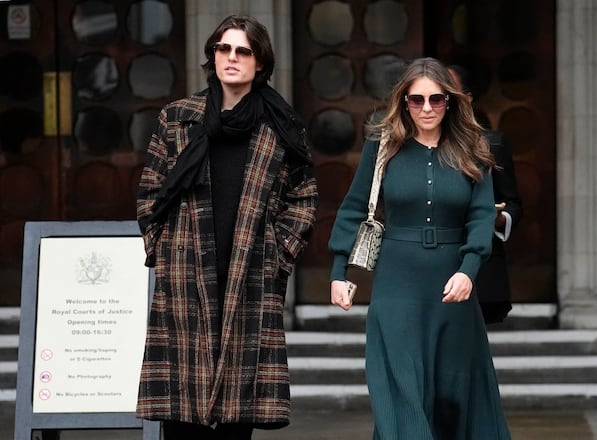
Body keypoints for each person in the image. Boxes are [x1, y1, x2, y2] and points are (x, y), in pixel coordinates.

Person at [135, 15, 318, 440]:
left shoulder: (282, 126)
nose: (231, 58)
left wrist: (277, 254)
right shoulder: (178, 118)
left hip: (250, 276)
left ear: (260, 63)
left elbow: (304, 197)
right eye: (223, 48)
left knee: (237, 421)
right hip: (185, 277)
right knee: (181, 417)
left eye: (243, 51)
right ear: (212, 56)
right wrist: (162, 249)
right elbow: (150, 192)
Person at [328, 57, 511, 439]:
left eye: (436, 99)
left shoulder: (472, 150)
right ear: (403, 102)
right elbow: (352, 209)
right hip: (396, 281)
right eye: (416, 100)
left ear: (451, 101)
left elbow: (480, 218)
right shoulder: (381, 147)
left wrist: (468, 269)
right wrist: (339, 273)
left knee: (452, 394)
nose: (426, 108)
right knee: (400, 388)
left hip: (451, 285)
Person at [447, 64, 523, 324]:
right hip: (427, 270)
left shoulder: (492, 145)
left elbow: (513, 204)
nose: (438, 103)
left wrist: (498, 217)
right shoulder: (411, 147)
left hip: (481, 272)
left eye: (447, 93)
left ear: (466, 99)